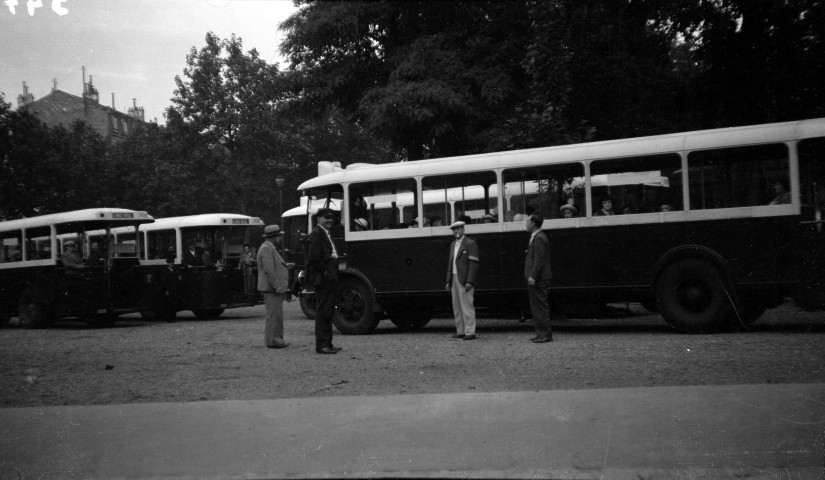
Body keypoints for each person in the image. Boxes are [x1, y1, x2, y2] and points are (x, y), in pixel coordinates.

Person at [306, 208, 343, 354]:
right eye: (326, 217)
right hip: (324, 277)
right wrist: (325, 271)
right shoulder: (316, 234)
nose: (329, 220)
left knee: (328, 310)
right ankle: (322, 345)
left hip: (329, 275)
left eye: (331, 218)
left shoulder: (324, 233)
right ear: (318, 218)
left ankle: (327, 343)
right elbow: (314, 258)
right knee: (323, 311)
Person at [444, 220, 479, 340]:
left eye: (458, 228)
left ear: (463, 229)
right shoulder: (453, 244)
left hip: (464, 278)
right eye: (454, 229)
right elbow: (450, 263)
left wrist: (470, 281)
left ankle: (470, 331)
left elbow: (473, 264)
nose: (456, 231)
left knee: (467, 305)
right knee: (457, 306)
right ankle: (460, 331)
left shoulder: (470, 243)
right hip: (454, 277)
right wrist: (448, 280)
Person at [257, 225, 290, 349]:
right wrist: (277, 286)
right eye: (278, 236)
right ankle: (274, 341)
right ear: (274, 237)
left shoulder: (269, 247)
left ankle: (273, 340)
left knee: (274, 315)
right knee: (274, 315)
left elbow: (272, 267)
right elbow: (269, 270)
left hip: (270, 288)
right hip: (271, 289)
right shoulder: (267, 248)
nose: (280, 238)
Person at [524, 214, 553, 343]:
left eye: (528, 222)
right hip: (536, 278)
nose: (526, 224)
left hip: (538, 278)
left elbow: (539, 260)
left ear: (534, 223)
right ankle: (541, 333)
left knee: (540, 306)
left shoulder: (539, 237)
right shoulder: (537, 237)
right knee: (537, 306)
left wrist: (533, 276)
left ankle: (545, 334)